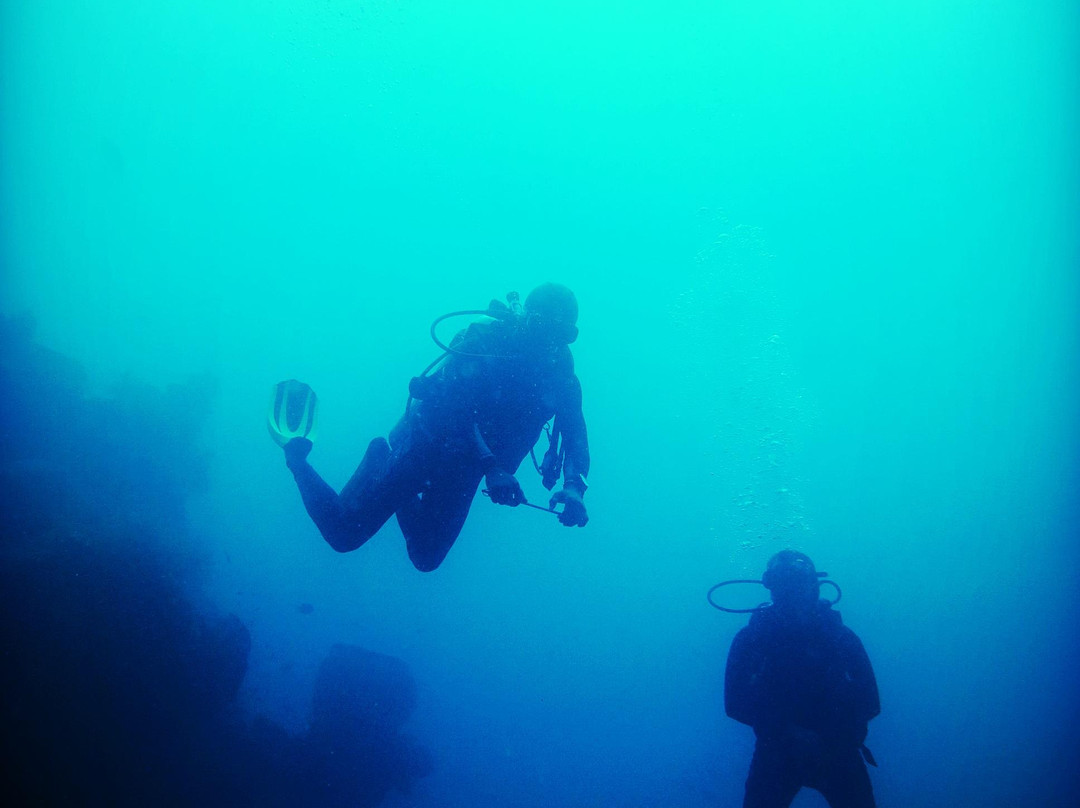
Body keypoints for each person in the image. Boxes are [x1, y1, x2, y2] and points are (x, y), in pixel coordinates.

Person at [281, 283, 590, 571]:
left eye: (562, 334)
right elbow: (454, 406)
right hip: (425, 445)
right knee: (343, 535)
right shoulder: (484, 346)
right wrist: (492, 467)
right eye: (542, 327)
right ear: (525, 319)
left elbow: (575, 436)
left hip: (467, 471)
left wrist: (574, 487)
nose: (549, 341)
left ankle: (386, 474)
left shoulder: (562, 380)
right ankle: (300, 460)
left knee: (425, 558)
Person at [724, 550, 880, 808]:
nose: (794, 593)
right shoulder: (753, 638)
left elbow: (871, 701)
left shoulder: (838, 635)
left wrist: (809, 736)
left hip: (814, 751)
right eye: (787, 586)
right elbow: (734, 704)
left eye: (798, 584)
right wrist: (796, 735)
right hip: (789, 753)